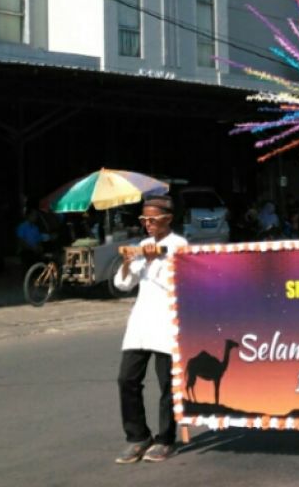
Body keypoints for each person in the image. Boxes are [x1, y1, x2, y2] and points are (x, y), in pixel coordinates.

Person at [113, 196, 186, 464]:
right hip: (141, 323)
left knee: (167, 383)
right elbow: (123, 284)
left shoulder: (179, 246)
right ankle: (138, 436)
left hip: (168, 322)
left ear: (168, 219)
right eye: (144, 220)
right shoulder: (142, 246)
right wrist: (127, 261)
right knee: (127, 379)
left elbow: (181, 274)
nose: (147, 225)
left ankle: (166, 439)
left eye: (152, 220)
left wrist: (158, 254)